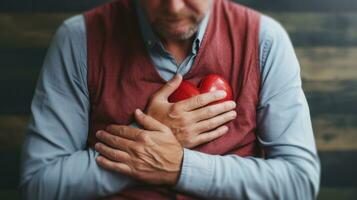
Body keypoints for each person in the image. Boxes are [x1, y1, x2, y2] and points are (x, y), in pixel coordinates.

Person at [19, 0, 321, 199]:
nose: (174, 7)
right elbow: (38, 185)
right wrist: (146, 141)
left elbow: (299, 182)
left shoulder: (264, 40)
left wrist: (179, 166)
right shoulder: (78, 39)